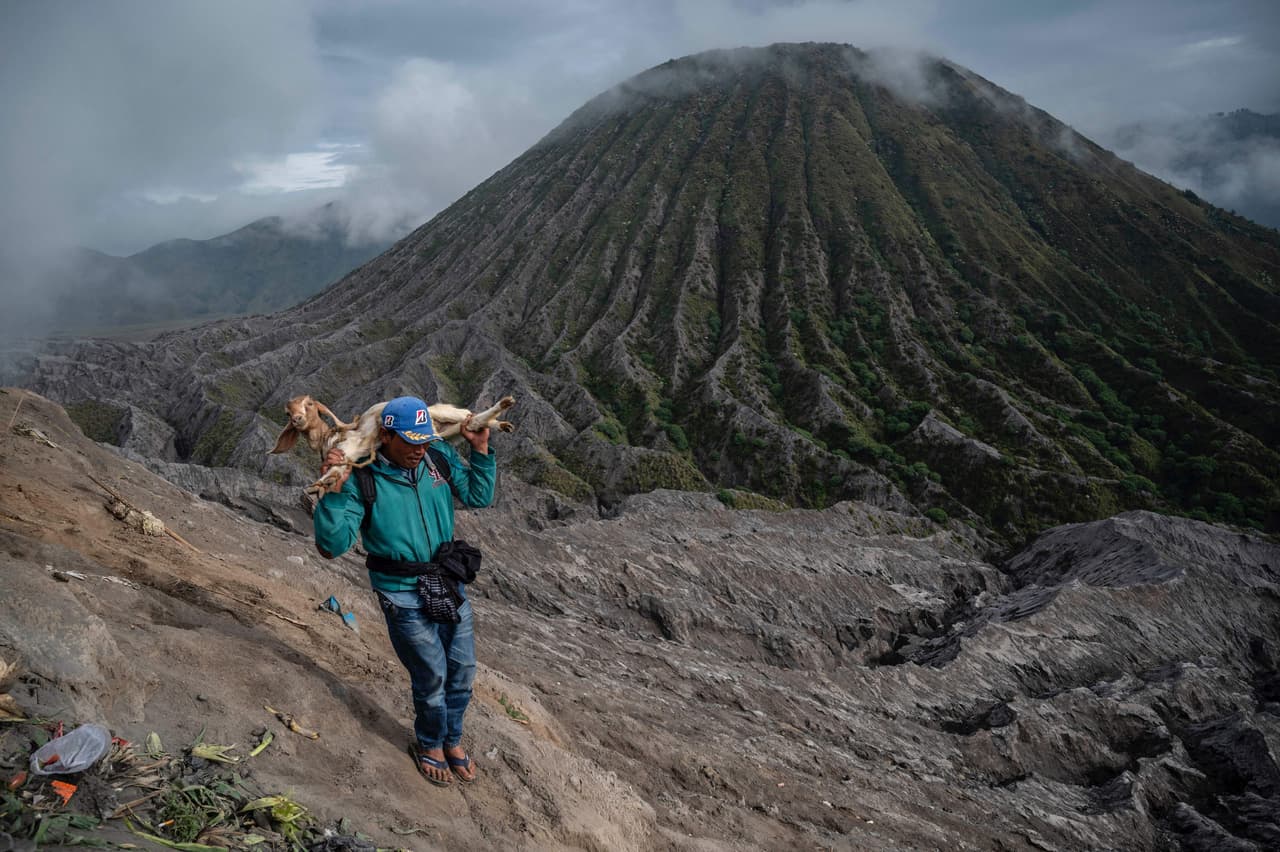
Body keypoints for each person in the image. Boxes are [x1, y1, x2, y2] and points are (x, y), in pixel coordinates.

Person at [312, 395, 496, 788]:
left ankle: (451, 738)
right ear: (386, 436)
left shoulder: (438, 458)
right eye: (411, 442)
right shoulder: (361, 477)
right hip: (401, 592)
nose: (419, 450)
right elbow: (332, 545)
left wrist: (481, 451)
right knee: (431, 675)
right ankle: (430, 743)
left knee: (462, 671)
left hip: (446, 582)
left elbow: (478, 496)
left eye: (425, 440)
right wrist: (333, 492)